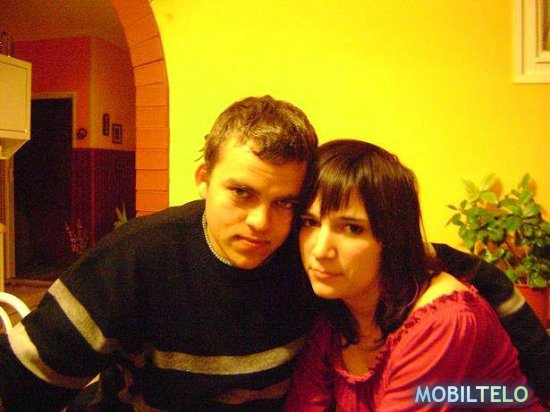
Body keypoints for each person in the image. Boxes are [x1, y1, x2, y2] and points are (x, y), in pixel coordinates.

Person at [0, 97, 547, 410]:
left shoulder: (307, 257)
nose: (263, 223)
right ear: (203, 179)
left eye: (286, 203)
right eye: (241, 192)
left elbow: (452, 263)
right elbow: (22, 378)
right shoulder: (137, 260)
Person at [284, 139, 546, 411]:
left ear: (393, 238)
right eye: (310, 222)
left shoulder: (444, 322)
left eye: (352, 228)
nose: (320, 250)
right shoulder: (335, 314)